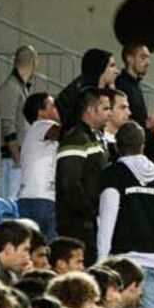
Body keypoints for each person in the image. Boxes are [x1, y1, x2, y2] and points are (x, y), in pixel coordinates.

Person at [96, 121, 154, 308]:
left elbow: (107, 217)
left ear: (117, 147)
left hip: (121, 265)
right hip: (153, 262)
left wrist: (102, 260)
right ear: (143, 146)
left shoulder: (113, 173)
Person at [55, 88, 111, 265]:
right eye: (105, 108)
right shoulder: (76, 139)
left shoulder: (94, 139)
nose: (109, 114)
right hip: (77, 225)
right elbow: (70, 182)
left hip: (90, 222)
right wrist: (88, 214)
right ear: (90, 110)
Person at [0, 45, 38, 199]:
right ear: (34, 62)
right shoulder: (10, 88)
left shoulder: (19, 88)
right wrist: (17, 157)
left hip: (17, 157)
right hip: (11, 159)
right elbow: (7, 124)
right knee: (10, 200)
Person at [17, 92, 62, 239]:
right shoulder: (42, 125)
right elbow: (62, 133)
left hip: (28, 197)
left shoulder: (31, 132)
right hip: (42, 197)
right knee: (49, 244)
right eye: (52, 105)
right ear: (41, 112)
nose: (57, 108)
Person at [55, 48, 118, 131]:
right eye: (112, 66)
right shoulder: (80, 95)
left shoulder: (108, 91)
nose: (116, 71)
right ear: (100, 67)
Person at [114, 44, 154, 130]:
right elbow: (119, 119)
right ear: (130, 59)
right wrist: (145, 124)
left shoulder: (136, 84)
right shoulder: (121, 84)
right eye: (143, 58)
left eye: (148, 58)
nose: (148, 62)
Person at [101, 89, 131, 160]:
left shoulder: (129, 141)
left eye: (128, 108)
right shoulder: (95, 145)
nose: (129, 112)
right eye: (123, 107)